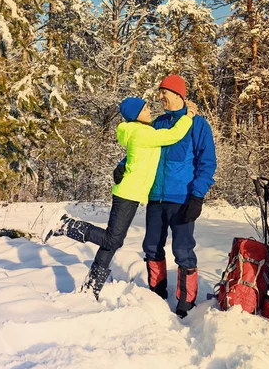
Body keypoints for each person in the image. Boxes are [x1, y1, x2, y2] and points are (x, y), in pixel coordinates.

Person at [42, 96, 197, 300]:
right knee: (113, 238)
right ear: (136, 116)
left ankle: (91, 288)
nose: (150, 110)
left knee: (113, 241)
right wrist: (190, 116)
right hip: (127, 193)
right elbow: (173, 136)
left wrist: (122, 164)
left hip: (131, 193)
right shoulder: (142, 132)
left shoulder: (138, 132)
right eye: (145, 109)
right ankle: (65, 224)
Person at [143, 74, 217, 318]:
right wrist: (124, 164)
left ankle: (186, 303)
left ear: (178, 95)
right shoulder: (158, 123)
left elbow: (207, 163)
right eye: (160, 92)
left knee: (183, 250)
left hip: (182, 198)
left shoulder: (198, 125)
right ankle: (155, 294)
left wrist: (197, 196)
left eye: (165, 92)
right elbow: (142, 148)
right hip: (155, 198)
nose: (161, 96)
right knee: (152, 247)